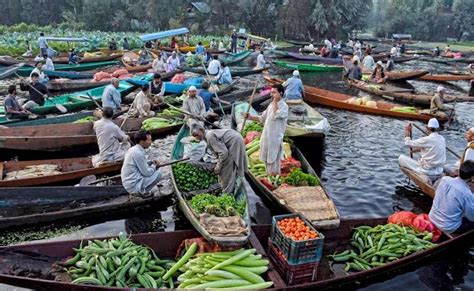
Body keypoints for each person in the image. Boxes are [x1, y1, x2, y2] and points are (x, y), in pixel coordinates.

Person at [245, 85, 288, 175]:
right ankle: (269, 175)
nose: (271, 95)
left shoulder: (284, 106)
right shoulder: (271, 105)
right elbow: (262, 118)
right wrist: (250, 117)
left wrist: (275, 101)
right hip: (266, 136)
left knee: (273, 160)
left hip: (275, 138)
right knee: (265, 158)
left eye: (274, 93)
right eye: (271, 92)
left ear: (280, 93)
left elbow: (277, 114)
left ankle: (275, 176)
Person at [191, 124, 247, 194]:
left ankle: (227, 192)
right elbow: (217, 151)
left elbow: (223, 153)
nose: (196, 138)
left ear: (201, 130)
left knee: (226, 169)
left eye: (196, 135)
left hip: (235, 142)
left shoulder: (210, 136)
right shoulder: (207, 136)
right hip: (235, 139)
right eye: (194, 136)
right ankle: (230, 186)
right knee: (226, 166)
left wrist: (218, 166)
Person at [428, 160, 474, 234]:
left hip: (432, 217)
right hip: (448, 227)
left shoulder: (444, 179)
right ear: (472, 178)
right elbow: (472, 218)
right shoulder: (466, 193)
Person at [399, 118, 446, 183]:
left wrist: (407, 131)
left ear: (428, 128)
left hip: (427, 170)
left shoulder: (427, 139)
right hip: (439, 169)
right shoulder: (442, 139)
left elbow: (408, 143)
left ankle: (423, 175)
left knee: (401, 158)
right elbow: (432, 148)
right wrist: (418, 150)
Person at [121, 130, 162, 197]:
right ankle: (141, 192)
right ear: (142, 141)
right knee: (158, 174)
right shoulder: (138, 153)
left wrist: (151, 162)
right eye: (149, 140)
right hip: (133, 184)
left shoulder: (133, 149)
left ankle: (141, 190)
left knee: (154, 170)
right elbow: (147, 173)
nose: (151, 142)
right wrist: (154, 166)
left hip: (129, 182)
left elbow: (141, 164)